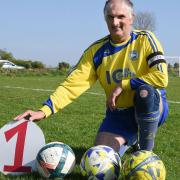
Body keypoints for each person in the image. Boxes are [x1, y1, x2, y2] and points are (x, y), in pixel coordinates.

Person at [15, 0, 168, 156]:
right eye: (110, 17)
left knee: (145, 92)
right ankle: (131, 139)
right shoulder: (96, 51)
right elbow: (72, 85)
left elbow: (161, 77)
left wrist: (123, 84)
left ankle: (145, 153)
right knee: (99, 160)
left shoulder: (145, 39)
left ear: (131, 18)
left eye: (121, 16)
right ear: (105, 19)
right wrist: (43, 111)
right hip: (119, 114)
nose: (115, 22)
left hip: (152, 105)